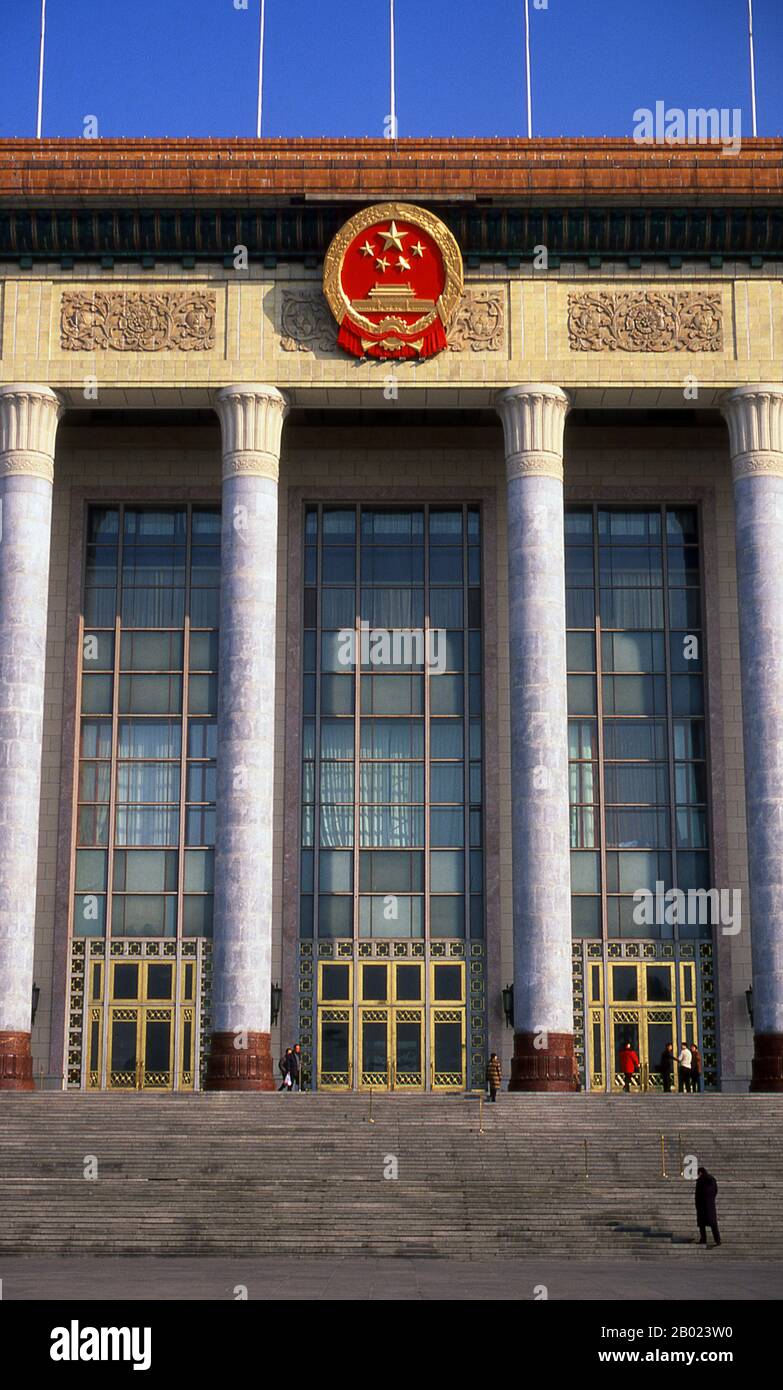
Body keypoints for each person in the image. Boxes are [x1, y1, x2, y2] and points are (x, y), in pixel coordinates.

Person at [695, 1166, 721, 1246]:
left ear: (700, 1173)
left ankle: (703, 1239)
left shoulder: (701, 1180)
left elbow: (698, 1194)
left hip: (702, 1206)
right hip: (710, 1205)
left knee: (702, 1224)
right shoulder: (712, 1179)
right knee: (713, 1224)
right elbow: (715, 1190)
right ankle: (717, 1240)